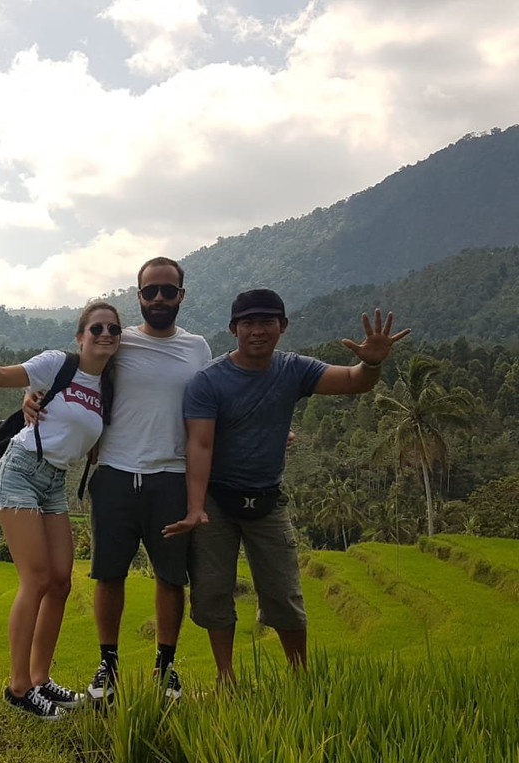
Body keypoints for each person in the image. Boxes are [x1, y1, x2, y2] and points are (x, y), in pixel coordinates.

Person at [164, 289, 410, 684]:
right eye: (248, 323)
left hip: (268, 498)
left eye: (266, 322)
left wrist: (371, 365)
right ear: (233, 329)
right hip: (217, 499)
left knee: (283, 592)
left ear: (283, 326)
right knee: (212, 591)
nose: (257, 331)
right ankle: (225, 679)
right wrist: (196, 507)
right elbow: (200, 444)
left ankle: (301, 678)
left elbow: (352, 381)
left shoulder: (294, 369)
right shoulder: (209, 381)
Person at [26, 256, 211, 702]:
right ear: (139, 296)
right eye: (152, 291)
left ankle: (166, 668)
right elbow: (71, 370)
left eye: (169, 290)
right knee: (109, 574)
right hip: (113, 473)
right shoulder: (117, 341)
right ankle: (107, 665)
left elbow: (214, 404)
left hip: (171, 474)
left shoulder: (197, 349)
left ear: (181, 296)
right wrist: (29, 394)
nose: (161, 298)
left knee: (171, 577)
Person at [0, 299, 122, 719]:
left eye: (113, 329)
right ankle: (18, 688)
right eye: (97, 329)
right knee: (35, 578)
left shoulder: (109, 387)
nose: (106, 335)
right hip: (20, 469)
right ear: (80, 336)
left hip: (55, 481)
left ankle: (40, 680)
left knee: (60, 583)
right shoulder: (58, 364)